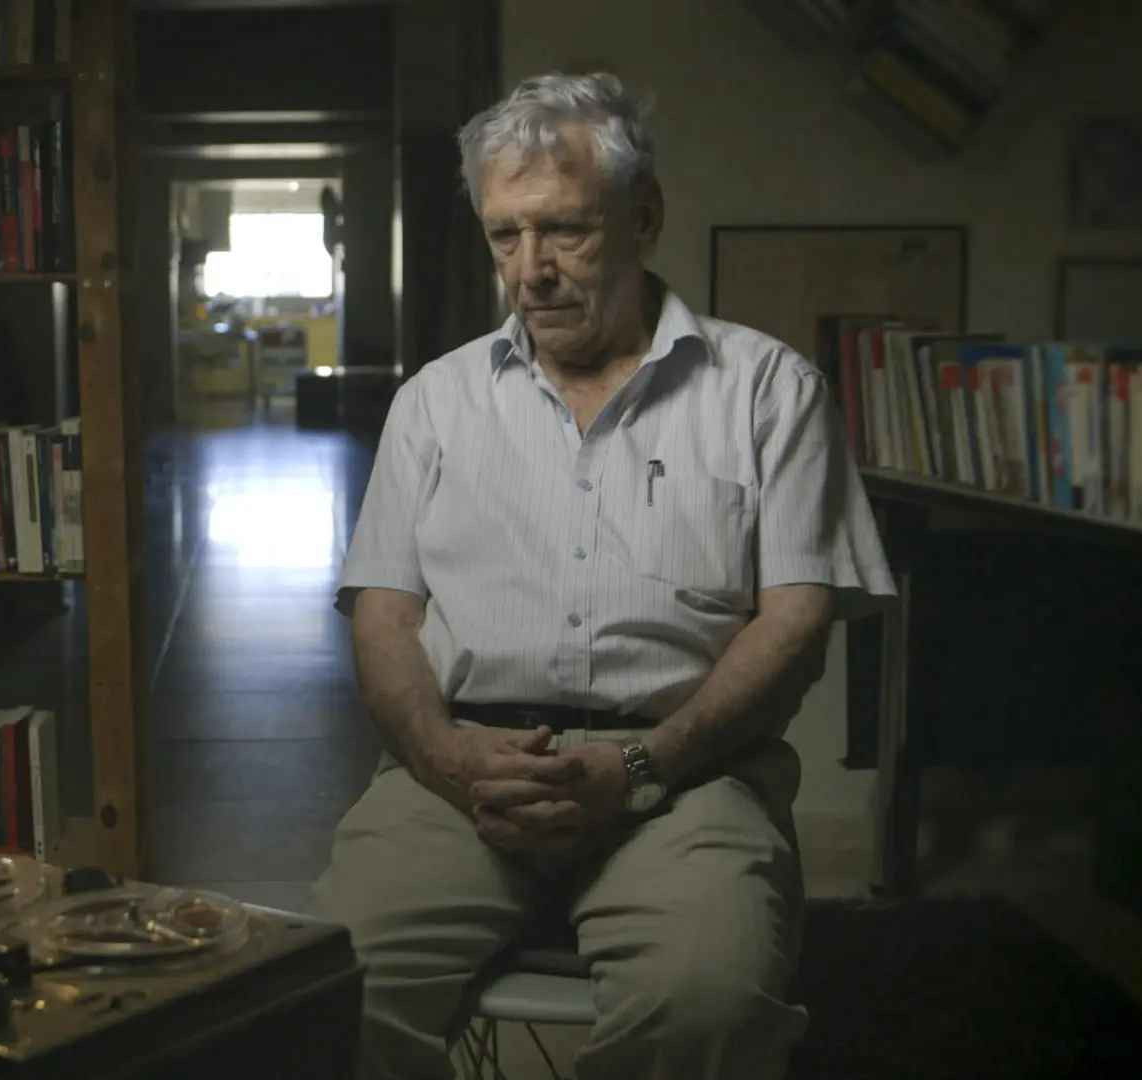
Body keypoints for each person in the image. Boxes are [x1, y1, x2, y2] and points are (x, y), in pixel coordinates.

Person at [310, 72, 895, 1080]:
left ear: (645, 217)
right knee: (322, 995)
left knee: (707, 1003)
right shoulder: (434, 403)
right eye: (505, 235)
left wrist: (639, 767)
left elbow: (795, 624)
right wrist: (449, 760)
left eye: (565, 230)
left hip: (686, 778)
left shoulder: (768, 390)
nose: (530, 270)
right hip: (462, 771)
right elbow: (383, 619)